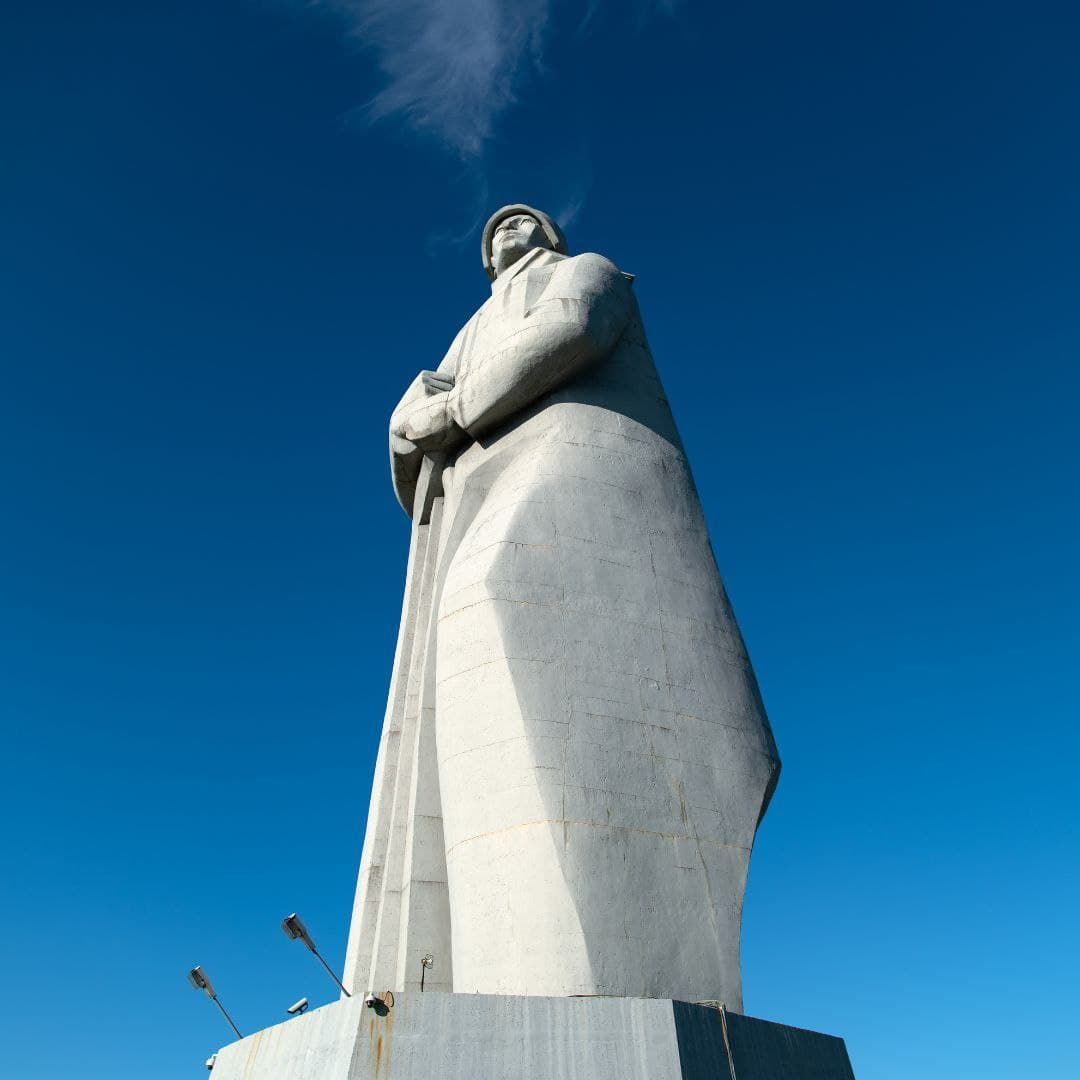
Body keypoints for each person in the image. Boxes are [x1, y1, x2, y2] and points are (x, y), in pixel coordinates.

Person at [344, 205, 780, 1008]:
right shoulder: (467, 332)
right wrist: (412, 422)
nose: (505, 228)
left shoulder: (589, 271)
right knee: (467, 674)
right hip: (480, 487)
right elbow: (410, 434)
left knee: (498, 596)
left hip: (577, 470)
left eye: (520, 220)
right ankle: (487, 974)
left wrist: (448, 411)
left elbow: (572, 330)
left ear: (549, 234)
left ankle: (593, 971)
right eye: (492, 231)